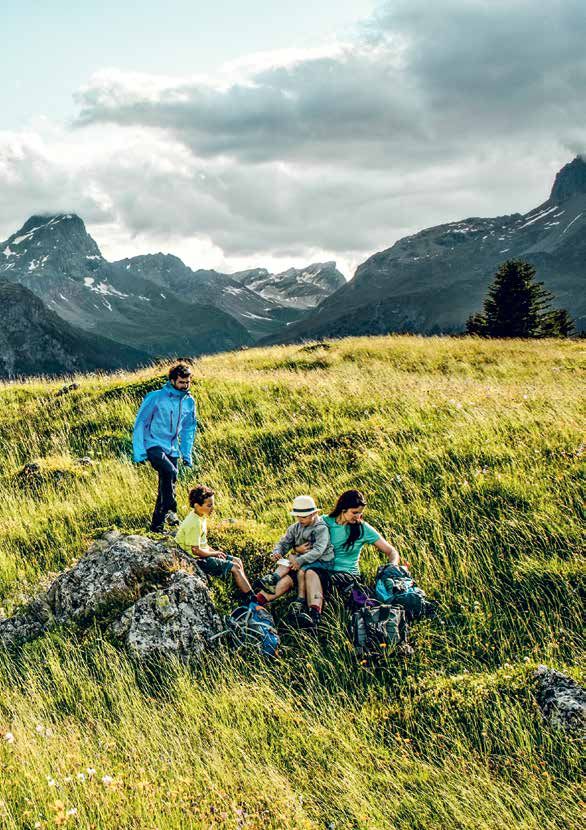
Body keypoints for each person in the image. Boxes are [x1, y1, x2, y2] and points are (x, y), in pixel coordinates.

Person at [303, 489, 400, 628]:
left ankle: (315, 617)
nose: (358, 516)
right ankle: (309, 614)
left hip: (348, 575)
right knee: (305, 572)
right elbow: (301, 540)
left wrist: (392, 566)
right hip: (323, 568)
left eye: (360, 513)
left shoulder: (362, 528)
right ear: (343, 509)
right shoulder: (324, 522)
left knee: (312, 573)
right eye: (354, 512)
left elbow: (391, 551)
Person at [132, 363, 197, 533]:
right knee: (170, 472)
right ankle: (171, 510)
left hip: (172, 448)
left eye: (188, 382)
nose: (185, 385)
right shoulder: (156, 397)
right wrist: (140, 451)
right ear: (172, 381)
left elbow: (189, 429)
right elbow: (141, 422)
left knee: (166, 486)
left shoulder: (189, 402)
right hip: (153, 443)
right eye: (182, 382)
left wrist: (186, 454)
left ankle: (156, 527)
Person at [253, 495, 333, 623]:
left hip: (320, 564)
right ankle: (262, 593)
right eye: (298, 516)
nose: (300, 519)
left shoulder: (321, 529)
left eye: (304, 517)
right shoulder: (295, 528)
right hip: (301, 562)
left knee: (304, 571)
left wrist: (299, 560)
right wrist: (277, 552)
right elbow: (284, 542)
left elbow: (318, 551)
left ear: (314, 514)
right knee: (287, 568)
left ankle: (310, 610)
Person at [176, 485, 255, 600]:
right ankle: (252, 599)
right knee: (235, 568)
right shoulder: (194, 523)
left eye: (212, 504)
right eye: (209, 505)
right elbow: (195, 550)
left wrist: (215, 552)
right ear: (197, 505)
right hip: (197, 560)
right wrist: (214, 554)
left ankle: (244, 593)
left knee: (237, 561)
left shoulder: (200, 516)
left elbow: (203, 543)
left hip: (203, 554)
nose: (212, 508)